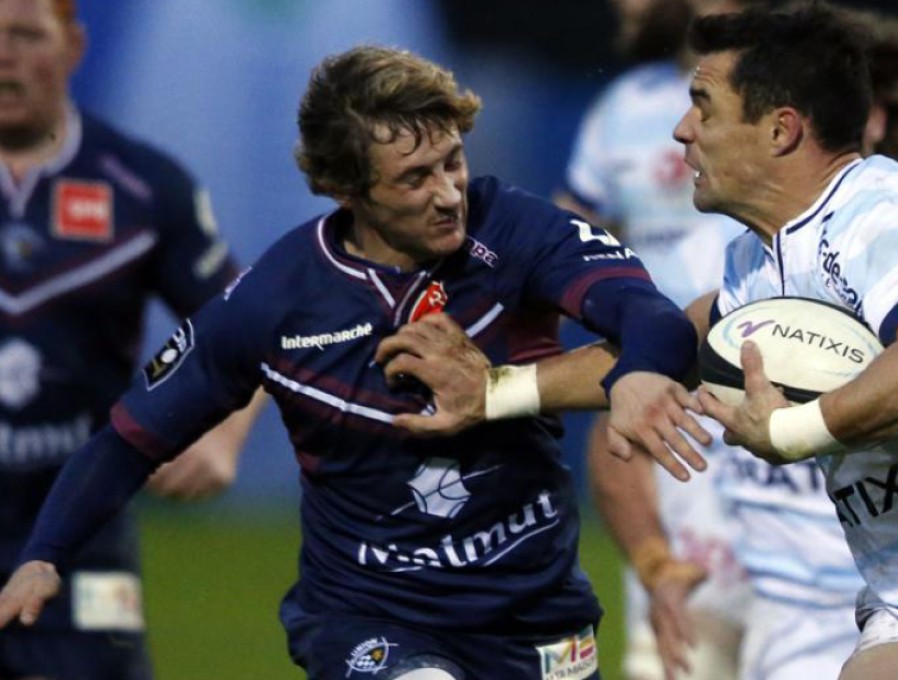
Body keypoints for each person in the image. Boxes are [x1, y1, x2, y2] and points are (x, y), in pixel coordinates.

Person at [0, 44, 714, 679]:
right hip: (370, 620)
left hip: (534, 613)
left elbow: (651, 317)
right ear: (346, 189)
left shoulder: (519, 230)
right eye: (413, 178)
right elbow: (131, 438)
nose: (446, 194)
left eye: (452, 162)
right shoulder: (275, 300)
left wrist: (639, 375)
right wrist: (45, 555)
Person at [672, 5, 898, 680]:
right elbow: (663, 345)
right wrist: (502, 389)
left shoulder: (877, 211)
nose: (683, 131)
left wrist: (796, 431)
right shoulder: (754, 264)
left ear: (781, 129)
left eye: (704, 108)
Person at [0, 0, 264, 678]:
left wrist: (224, 434)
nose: (4, 55)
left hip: (75, 538)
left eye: (26, 35)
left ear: (74, 47)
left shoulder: (143, 186)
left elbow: (246, 322)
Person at [556, 1, 767, 678]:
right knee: (674, 648)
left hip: (773, 382)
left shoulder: (790, 93)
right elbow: (565, 238)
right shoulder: (623, 108)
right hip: (667, 391)